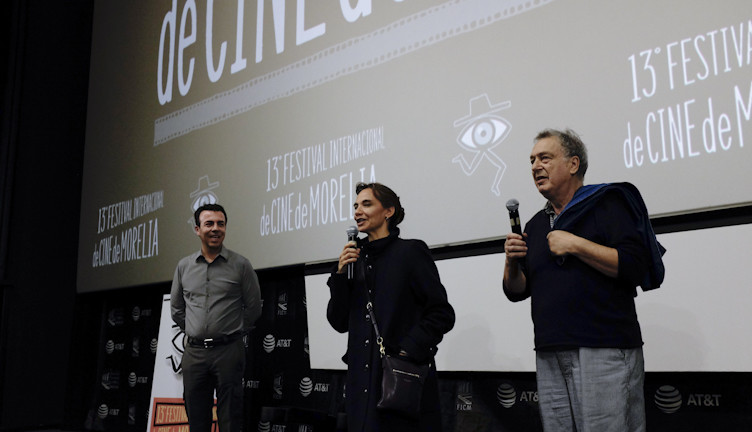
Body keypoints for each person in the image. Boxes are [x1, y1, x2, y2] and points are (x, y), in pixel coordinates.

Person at [503, 129, 665, 432]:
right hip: (550, 350)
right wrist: (511, 263)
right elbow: (516, 291)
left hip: (603, 349)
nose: (536, 166)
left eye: (545, 158)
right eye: (532, 160)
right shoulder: (536, 224)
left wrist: (576, 245)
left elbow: (634, 265)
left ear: (574, 164)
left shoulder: (607, 204)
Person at [327, 182, 455, 431]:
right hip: (360, 385)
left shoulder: (410, 252)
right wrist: (341, 275)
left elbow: (441, 313)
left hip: (399, 380)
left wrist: (407, 350)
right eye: (355, 206)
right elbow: (338, 322)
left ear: (388, 211)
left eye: (366, 204)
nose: (357, 212)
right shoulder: (352, 260)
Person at [171, 203, 262, 432]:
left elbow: (253, 308)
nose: (215, 228)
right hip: (194, 354)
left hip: (228, 351)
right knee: (196, 419)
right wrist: (197, 330)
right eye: (209, 223)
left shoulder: (241, 265)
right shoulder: (184, 267)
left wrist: (229, 330)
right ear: (197, 229)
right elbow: (177, 309)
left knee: (231, 419)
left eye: (220, 224)